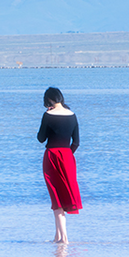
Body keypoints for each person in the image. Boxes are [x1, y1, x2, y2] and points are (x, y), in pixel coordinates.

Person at [37, 87, 82, 244]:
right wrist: (67, 155)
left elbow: (40, 138)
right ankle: (57, 237)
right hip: (68, 157)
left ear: (48, 100)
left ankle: (64, 238)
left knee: (56, 196)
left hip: (52, 156)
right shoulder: (73, 115)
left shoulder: (47, 115)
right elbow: (76, 142)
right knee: (65, 194)